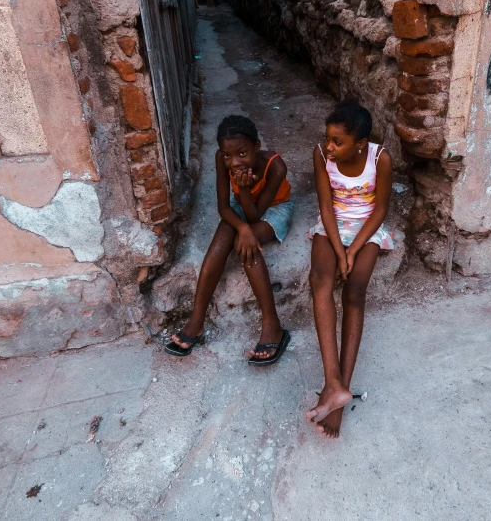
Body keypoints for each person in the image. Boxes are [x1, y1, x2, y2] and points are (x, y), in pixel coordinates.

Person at [165, 115, 294, 365]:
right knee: (224, 236)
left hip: (274, 208)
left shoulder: (275, 166)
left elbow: (256, 213)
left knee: (243, 245)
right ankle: (197, 319)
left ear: (257, 147)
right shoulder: (221, 160)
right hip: (240, 207)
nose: (234, 162)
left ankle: (273, 326)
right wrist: (242, 226)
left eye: (242, 153)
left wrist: (245, 206)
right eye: (227, 155)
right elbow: (224, 207)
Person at [306, 99, 394, 437]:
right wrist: (338, 251)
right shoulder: (321, 156)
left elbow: (380, 209)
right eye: (328, 138)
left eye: (337, 142)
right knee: (320, 282)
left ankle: (340, 394)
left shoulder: (379, 158)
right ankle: (333, 384)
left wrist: (353, 250)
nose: (329, 146)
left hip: (366, 229)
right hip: (332, 225)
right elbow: (326, 207)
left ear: (360, 145)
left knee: (355, 293)